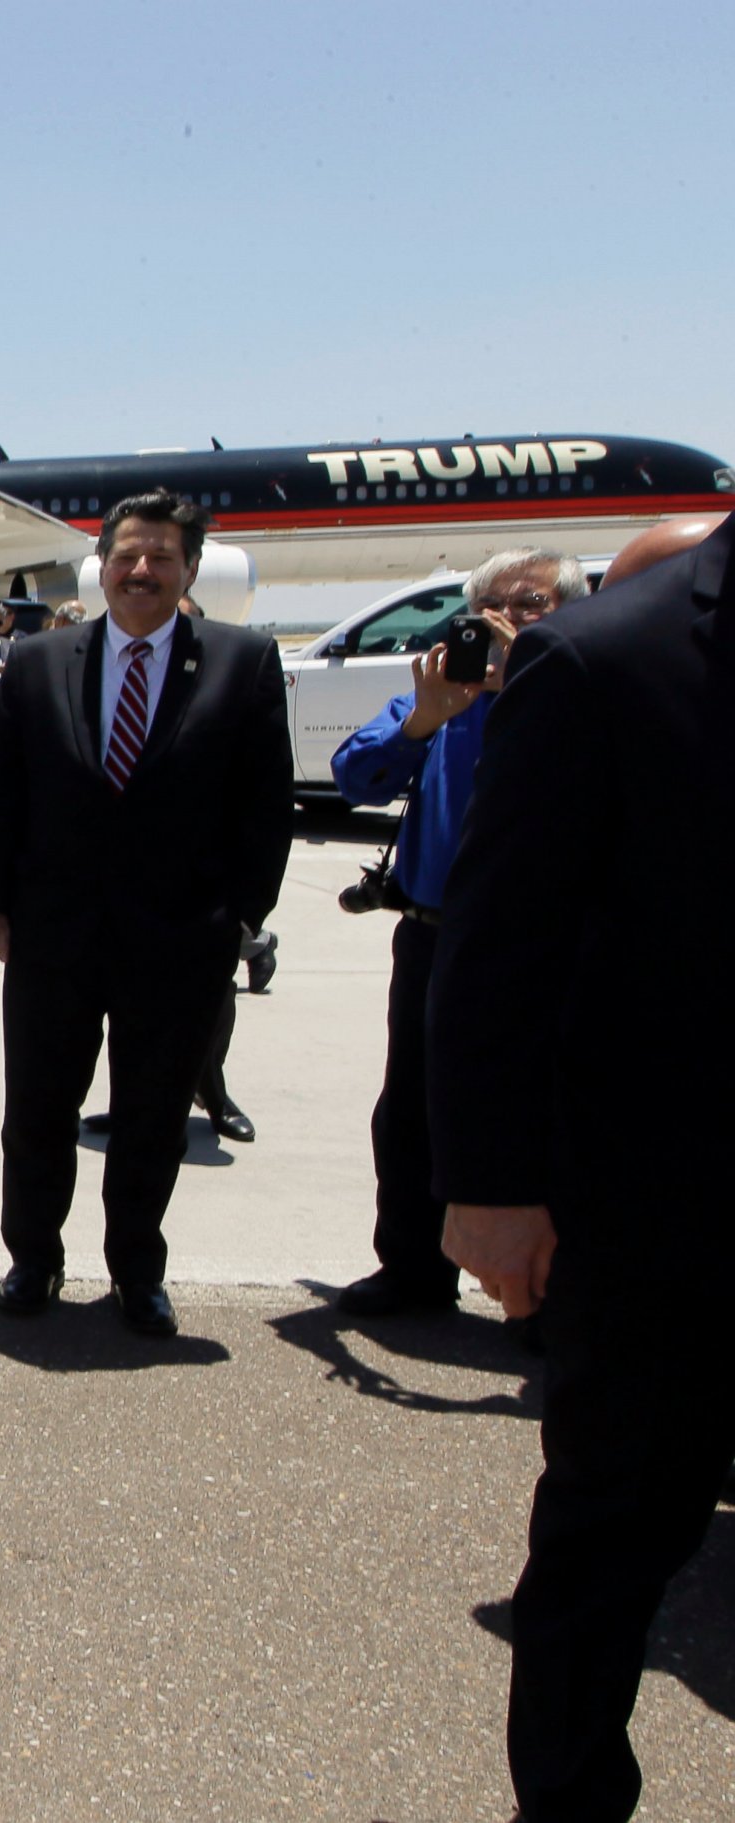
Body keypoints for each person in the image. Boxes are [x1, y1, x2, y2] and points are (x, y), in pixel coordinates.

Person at [429, 513, 735, 1823]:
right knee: (612, 1549)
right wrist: (492, 1184)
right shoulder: (605, 660)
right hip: (668, 1208)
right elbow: (501, 942)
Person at [0, 491, 292, 1337]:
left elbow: (266, 806)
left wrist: (238, 918)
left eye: (162, 558)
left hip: (179, 941)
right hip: (55, 936)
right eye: (127, 556)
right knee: (36, 1112)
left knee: (151, 1120)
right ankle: (33, 1257)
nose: (141, 571)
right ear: (101, 565)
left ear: (188, 570)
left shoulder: (241, 661)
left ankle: (136, 1271)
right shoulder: (38, 661)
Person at [328, 547, 587, 1318]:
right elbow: (355, 775)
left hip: (548, 944)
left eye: (532, 605)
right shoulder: (448, 691)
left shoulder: (584, 691)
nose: (508, 620)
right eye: (492, 607)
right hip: (436, 935)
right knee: (411, 1107)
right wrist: (425, 718)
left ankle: (544, 1294)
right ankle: (412, 1266)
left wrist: (525, 684)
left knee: (544, 1114)